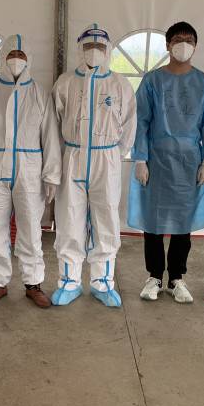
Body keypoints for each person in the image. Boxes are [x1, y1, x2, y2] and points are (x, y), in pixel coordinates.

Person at [129, 21, 204, 304]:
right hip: (157, 158)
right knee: (153, 220)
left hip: (189, 160)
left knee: (184, 221)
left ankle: (176, 278)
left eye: (189, 39)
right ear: (168, 45)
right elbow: (141, 121)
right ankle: (155, 276)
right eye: (178, 39)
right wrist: (140, 158)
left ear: (195, 45)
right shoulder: (153, 81)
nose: (183, 44)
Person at [0, 35, 61, 309]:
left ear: (29, 59)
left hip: (29, 169)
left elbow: (50, 137)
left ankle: (33, 283)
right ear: (2, 57)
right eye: (11, 54)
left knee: (31, 229)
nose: (16, 60)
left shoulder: (40, 94)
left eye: (21, 55)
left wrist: (51, 174)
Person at [51, 24, 136, 308]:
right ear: (80, 49)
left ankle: (103, 282)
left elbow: (129, 126)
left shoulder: (120, 84)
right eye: (89, 46)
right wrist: (60, 158)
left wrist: (114, 155)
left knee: (106, 220)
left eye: (100, 47)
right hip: (73, 156)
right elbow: (54, 124)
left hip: (105, 158)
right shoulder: (65, 83)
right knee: (69, 219)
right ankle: (69, 281)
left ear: (108, 49)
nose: (94, 52)